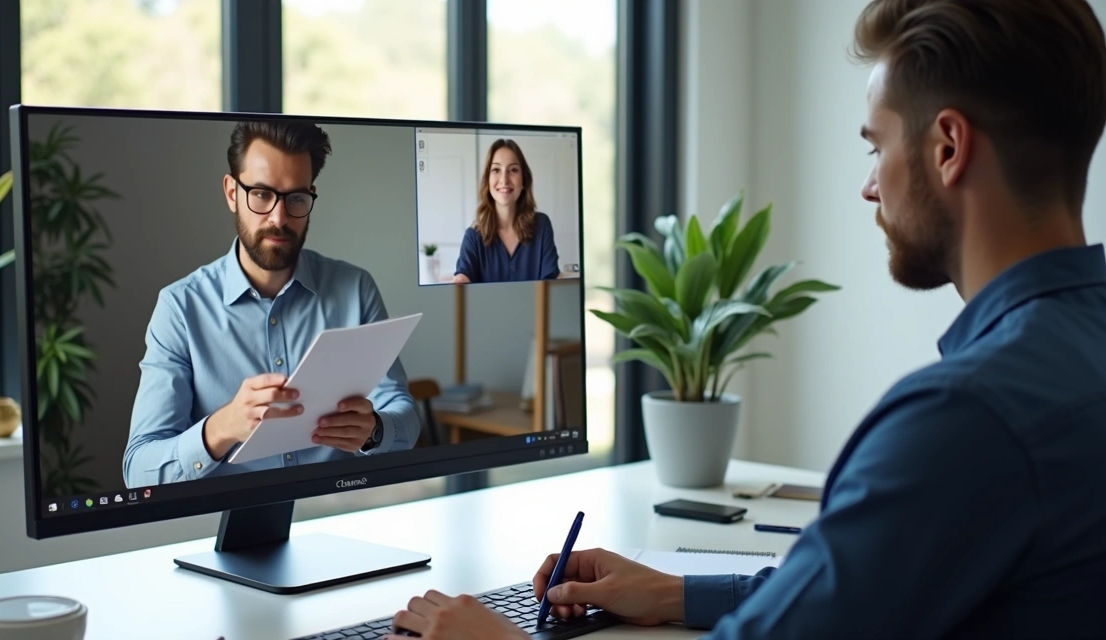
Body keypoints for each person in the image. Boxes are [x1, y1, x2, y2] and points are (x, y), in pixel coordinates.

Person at [385, 0, 1106, 637]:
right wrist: (672, 592)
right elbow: (857, 594)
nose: (868, 184)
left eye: (876, 146)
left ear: (948, 148)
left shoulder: (964, 419)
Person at [123, 120, 418, 487]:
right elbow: (138, 472)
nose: (279, 218)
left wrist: (374, 430)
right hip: (230, 519)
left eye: (296, 198)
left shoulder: (356, 289)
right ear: (232, 192)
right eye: (261, 194)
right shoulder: (180, 309)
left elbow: (405, 417)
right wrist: (222, 427)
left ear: (311, 197)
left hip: (337, 511)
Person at [452, 139, 561, 283]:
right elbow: (463, 277)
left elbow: (551, 282)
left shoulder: (542, 225)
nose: (504, 180)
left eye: (513, 170)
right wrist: (460, 281)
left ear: (524, 180)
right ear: (487, 180)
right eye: (496, 170)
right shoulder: (473, 236)